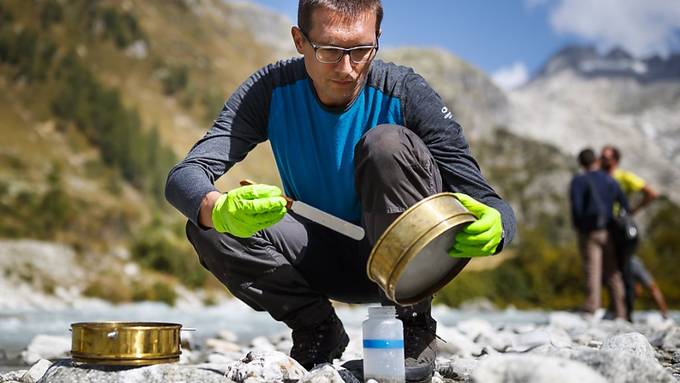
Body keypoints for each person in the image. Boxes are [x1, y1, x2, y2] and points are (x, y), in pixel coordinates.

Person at [165, 1, 516, 381]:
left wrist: (497, 228)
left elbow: (486, 199)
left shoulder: (406, 92)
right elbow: (185, 176)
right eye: (330, 50)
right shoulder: (271, 91)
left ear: (377, 38)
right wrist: (217, 207)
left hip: (406, 267)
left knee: (386, 145)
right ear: (300, 40)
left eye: (362, 50)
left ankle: (411, 328)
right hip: (318, 258)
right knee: (207, 224)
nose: (347, 69)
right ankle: (318, 330)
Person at [600, 145, 660, 320]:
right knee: (610, 270)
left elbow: (651, 193)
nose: (603, 160)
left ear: (615, 161)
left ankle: (627, 311)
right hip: (606, 227)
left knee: (625, 268)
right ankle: (615, 308)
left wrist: (633, 210)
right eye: (601, 157)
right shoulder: (600, 177)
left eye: (607, 157)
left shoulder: (624, 177)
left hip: (620, 228)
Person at [569, 148, 629, 319]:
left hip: (589, 232)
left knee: (592, 269)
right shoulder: (610, 180)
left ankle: (592, 307)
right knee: (613, 271)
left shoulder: (578, 181)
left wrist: (579, 227)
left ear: (580, 163)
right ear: (596, 160)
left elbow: (577, 208)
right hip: (609, 231)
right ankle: (621, 312)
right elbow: (624, 204)